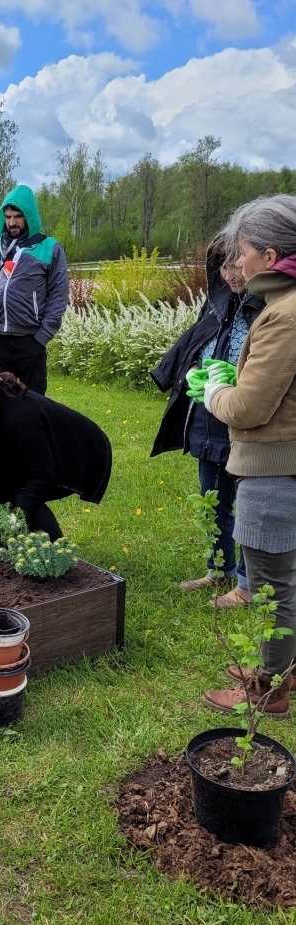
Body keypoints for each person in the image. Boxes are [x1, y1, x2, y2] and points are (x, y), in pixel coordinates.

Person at [198, 195, 296, 718]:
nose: (237, 262)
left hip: (273, 470)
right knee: (284, 581)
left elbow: (251, 408)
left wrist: (215, 393)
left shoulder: (284, 315)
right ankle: (284, 666)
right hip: (282, 465)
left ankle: (270, 689)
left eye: (243, 252)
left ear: (270, 254)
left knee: (271, 589)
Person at [150, 236, 264, 607]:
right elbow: (197, 347)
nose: (230, 274)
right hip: (208, 414)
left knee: (248, 502)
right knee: (212, 496)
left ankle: (249, 584)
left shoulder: (270, 307)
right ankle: (219, 569)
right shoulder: (218, 303)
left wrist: (232, 378)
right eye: (223, 265)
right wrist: (197, 371)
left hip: (246, 419)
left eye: (236, 263)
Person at [0, 362, 111, 538]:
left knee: (23, 494)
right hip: (39, 446)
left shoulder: (21, 417)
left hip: (79, 451)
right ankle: (30, 537)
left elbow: (41, 476)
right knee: (3, 488)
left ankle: (57, 548)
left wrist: (17, 516)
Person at [0, 184, 68, 395]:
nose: (12, 222)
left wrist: (41, 338)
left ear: (29, 217)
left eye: (17, 216)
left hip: (30, 342)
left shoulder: (49, 248)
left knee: (32, 405)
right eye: (7, 216)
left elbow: (59, 297)